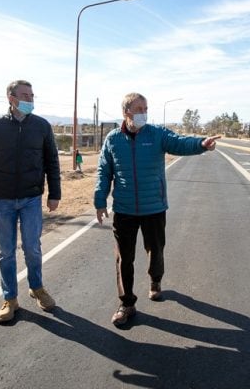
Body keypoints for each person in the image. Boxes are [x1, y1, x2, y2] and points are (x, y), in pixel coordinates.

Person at [94, 92, 220, 327]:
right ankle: (126, 303)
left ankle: (155, 280)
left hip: (154, 207)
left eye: (146, 108)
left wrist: (201, 144)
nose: (144, 113)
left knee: (156, 250)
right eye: (139, 109)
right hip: (124, 210)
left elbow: (179, 142)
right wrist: (100, 201)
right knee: (124, 259)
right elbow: (104, 172)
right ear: (126, 112)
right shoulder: (112, 139)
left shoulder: (157, 134)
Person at [0, 80, 61, 324]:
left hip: (32, 198)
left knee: (32, 247)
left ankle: (37, 288)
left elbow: (52, 161)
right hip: (4, 200)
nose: (30, 99)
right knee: (6, 252)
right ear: (11, 97)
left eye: (32, 95)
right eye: (25, 95)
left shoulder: (42, 126)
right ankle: (9, 298)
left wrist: (55, 193)